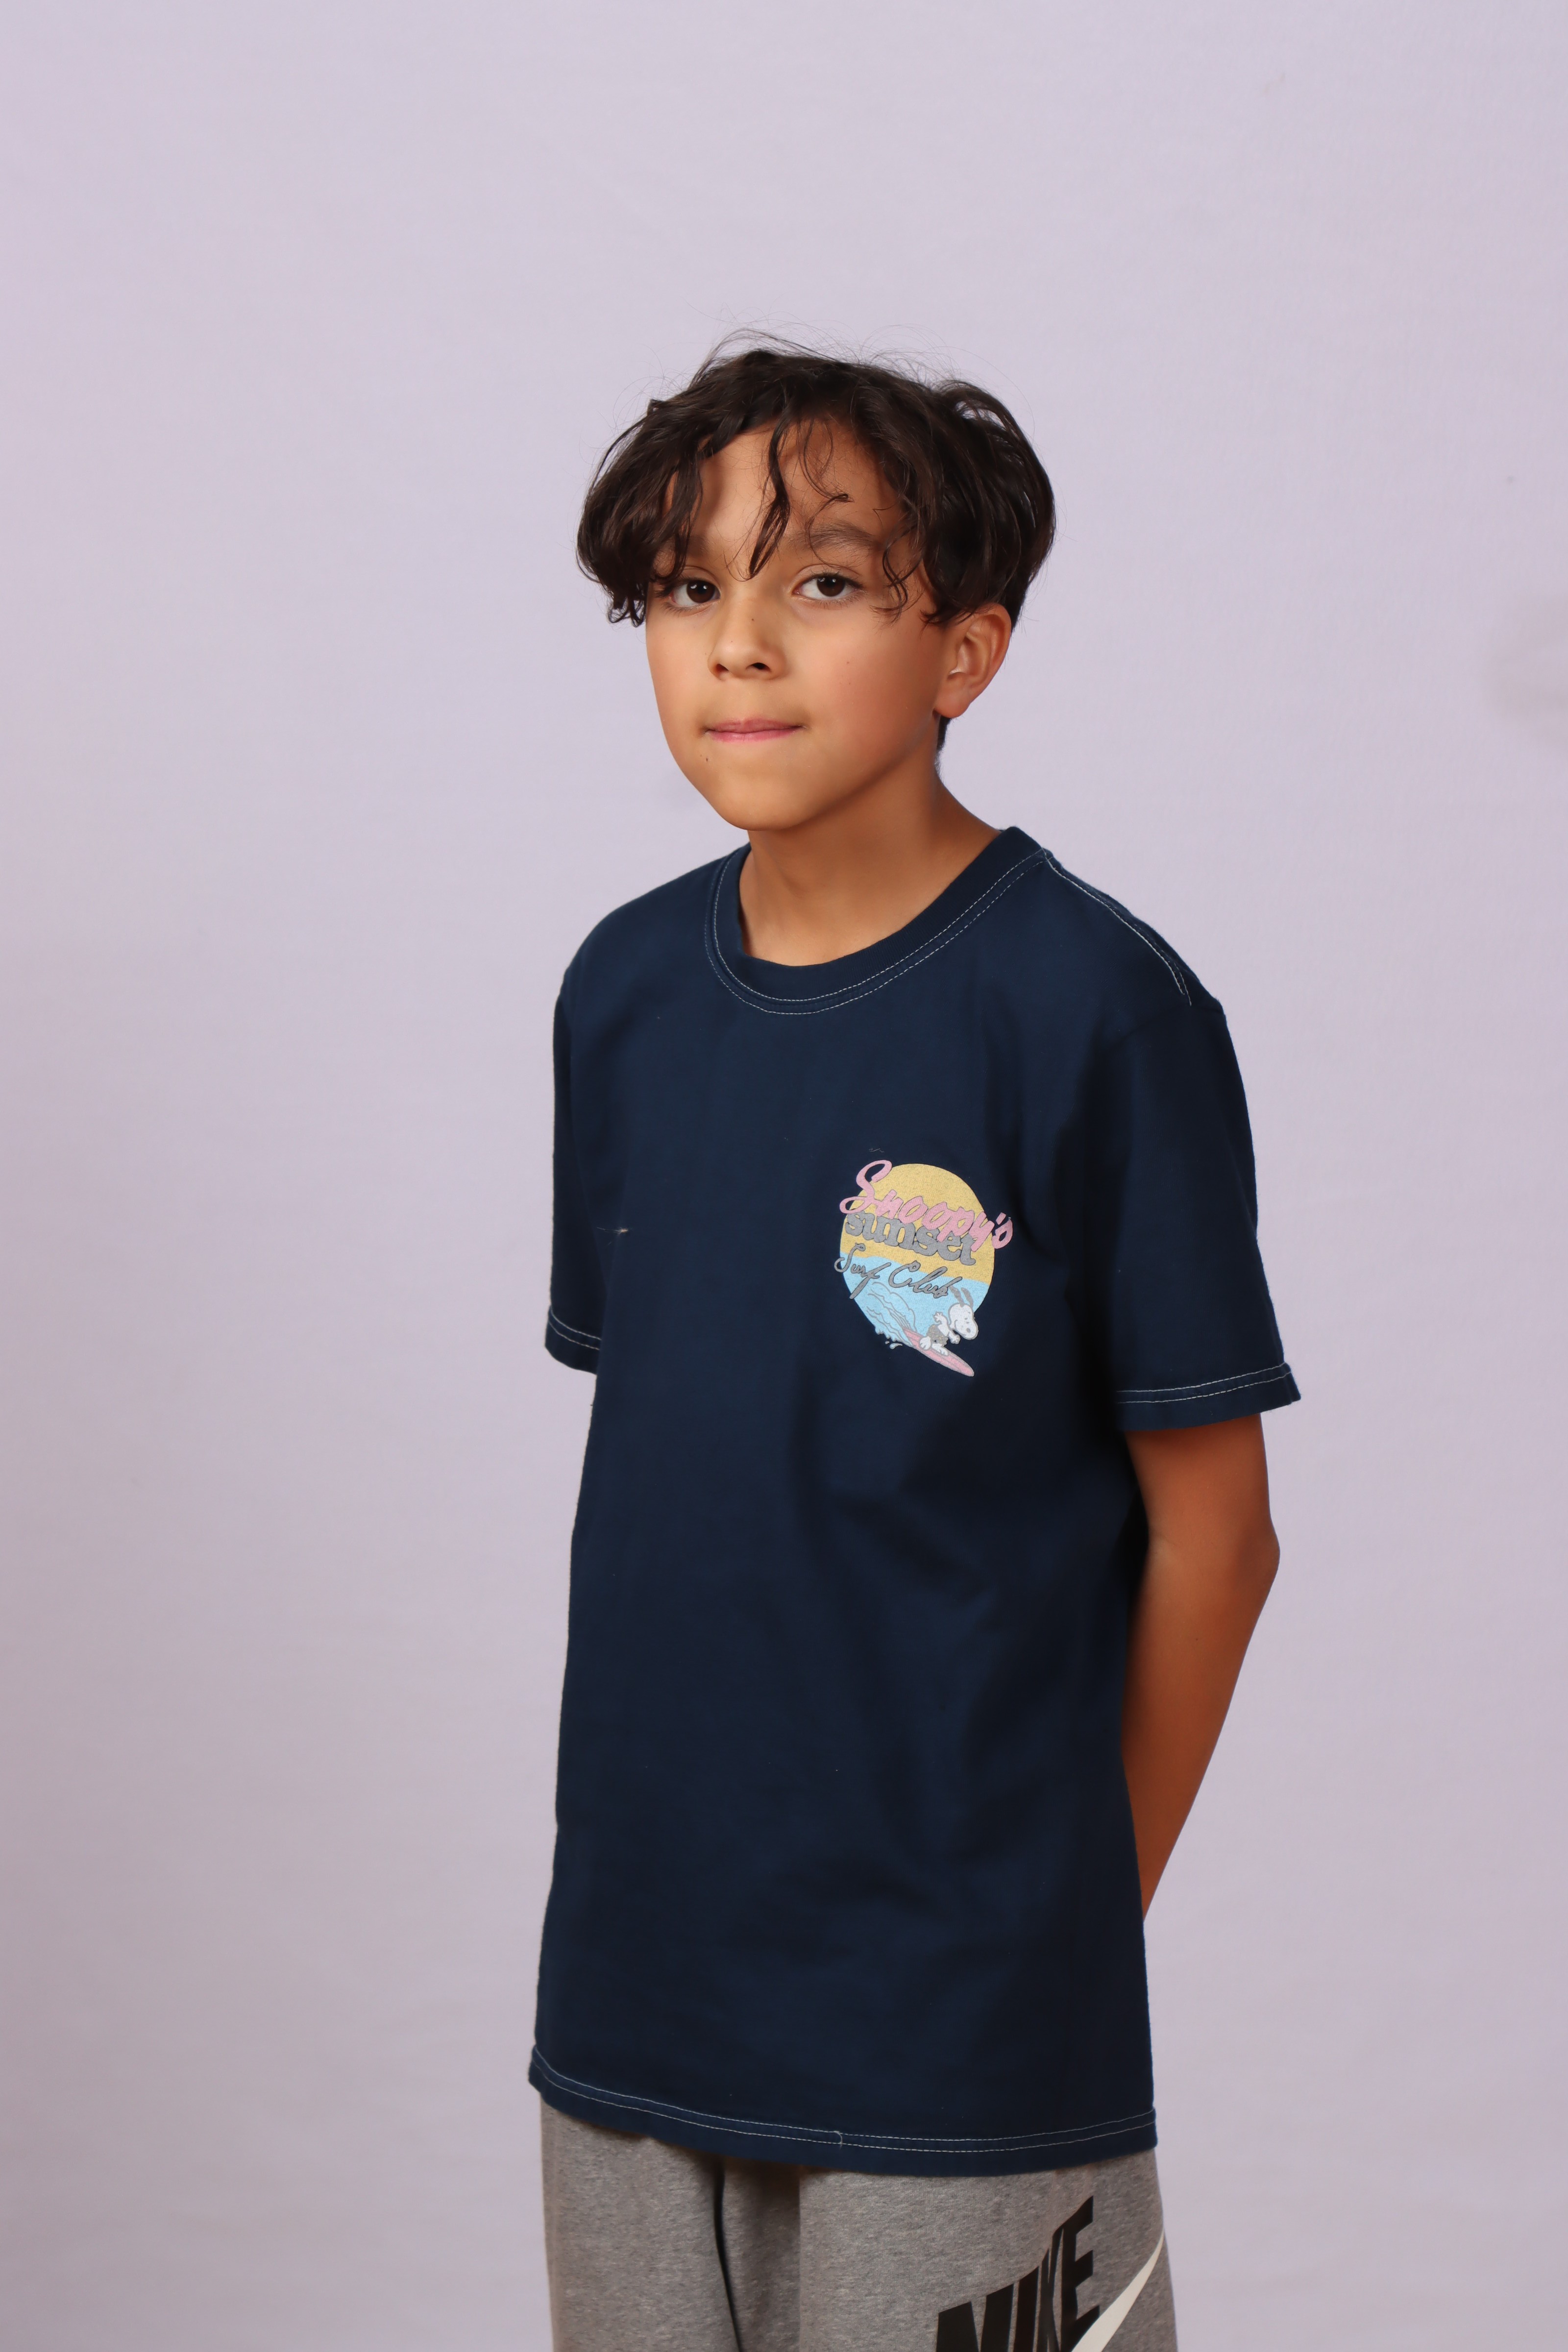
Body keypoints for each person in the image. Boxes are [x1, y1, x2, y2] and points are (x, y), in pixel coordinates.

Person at [533, 343, 1297, 2351]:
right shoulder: (623, 996)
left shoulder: (1095, 1014)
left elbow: (1217, 1539)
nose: (739, 644)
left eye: (824, 582)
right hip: (631, 1999)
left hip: (959, 2031)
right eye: (686, 587)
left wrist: (1049, 1933)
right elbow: (708, 1485)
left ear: (966, 647)